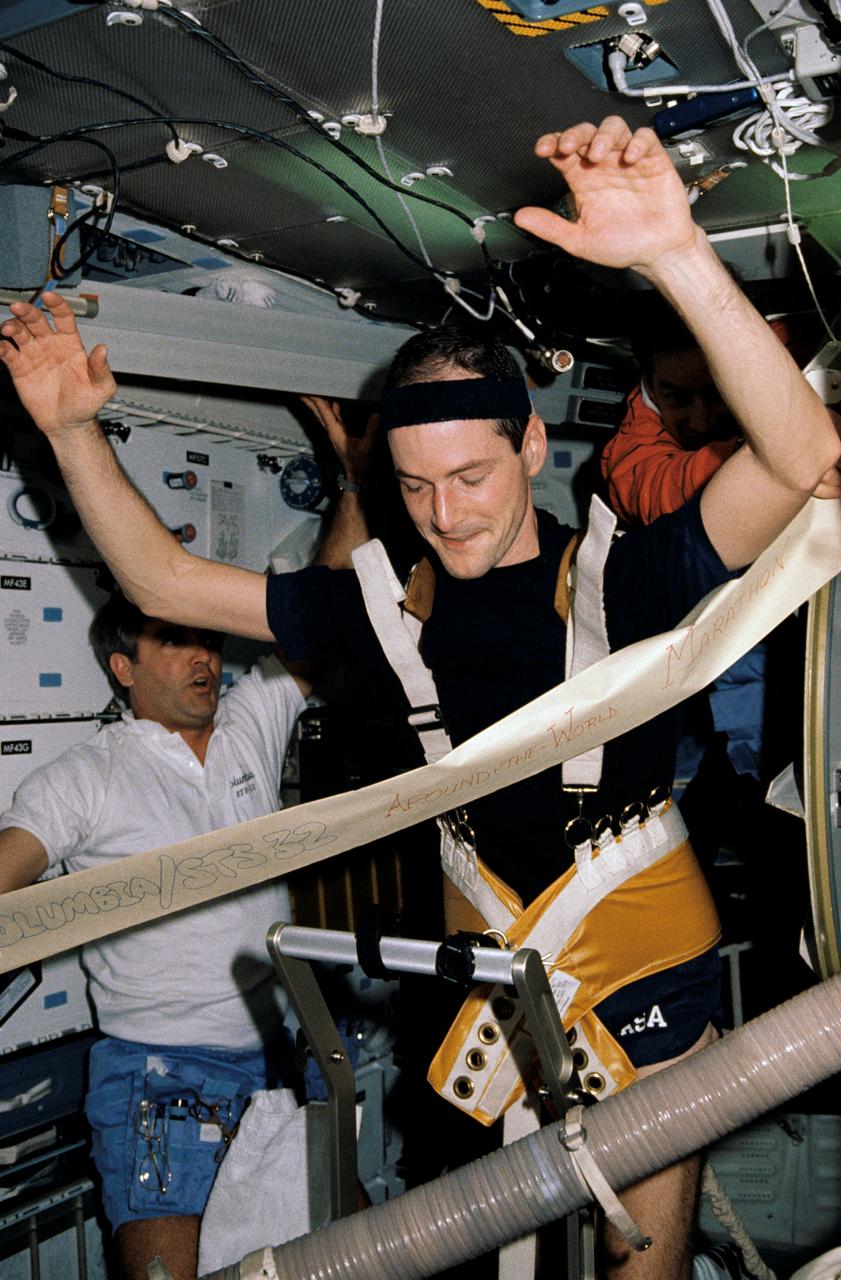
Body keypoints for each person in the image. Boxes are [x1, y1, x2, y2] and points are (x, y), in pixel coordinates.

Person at [1, 116, 839, 1279]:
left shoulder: (625, 574)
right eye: (414, 486)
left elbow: (804, 460)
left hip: (639, 937)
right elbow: (162, 579)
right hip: (480, 953)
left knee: (632, 1241)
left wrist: (677, 257)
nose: (446, 514)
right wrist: (74, 432)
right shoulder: (373, 606)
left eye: (473, 476)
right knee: (483, 1234)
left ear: (533, 444)